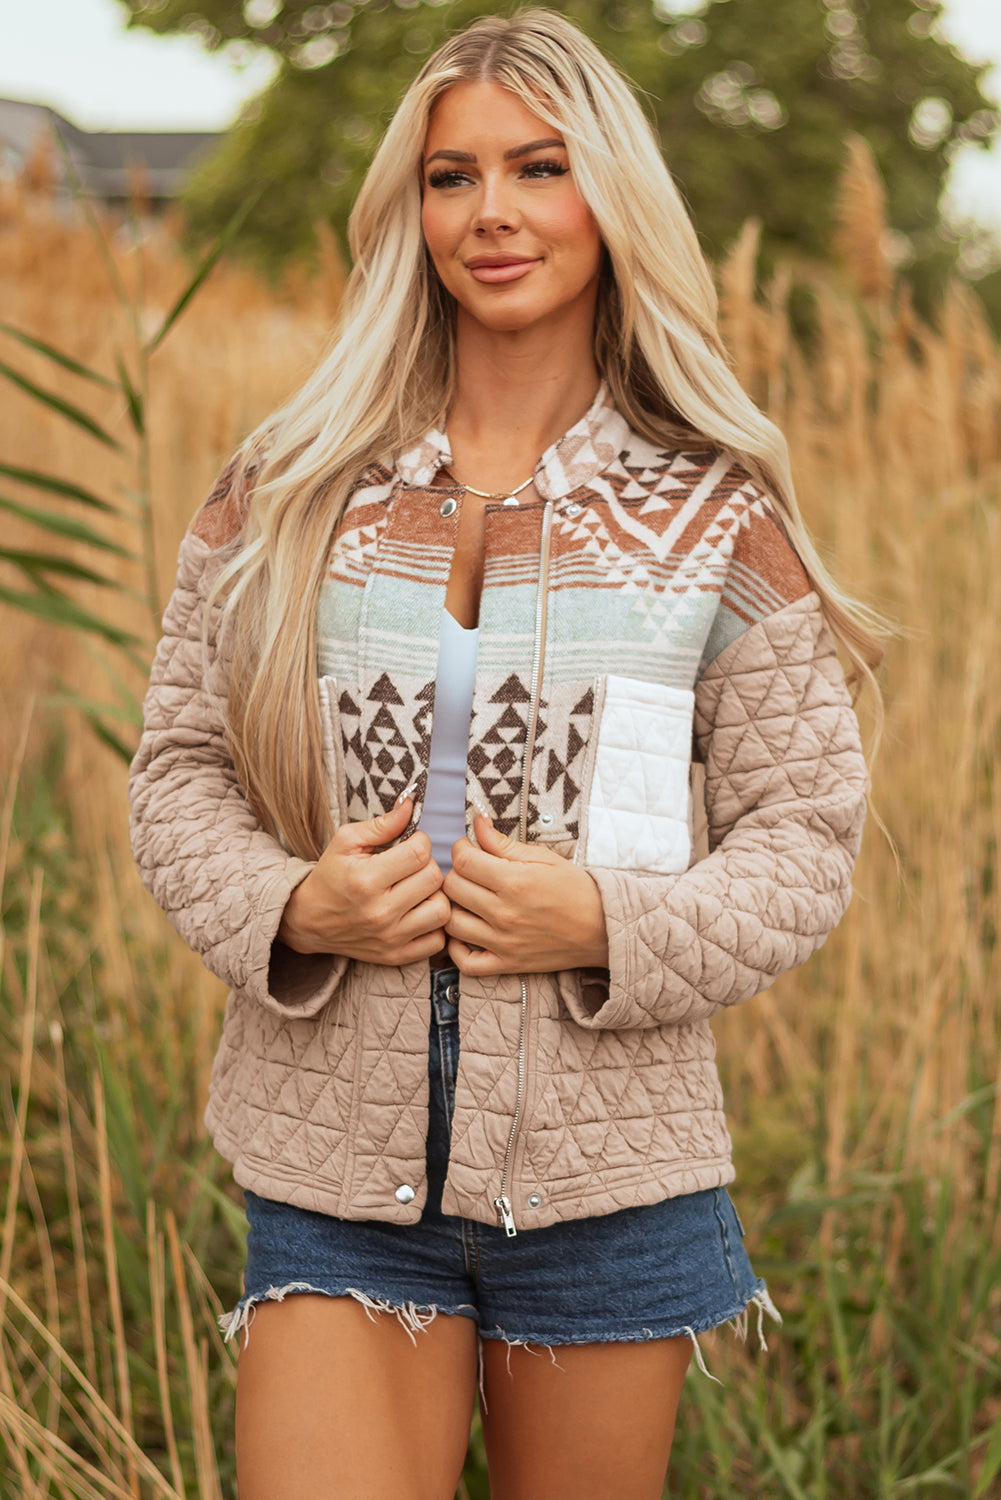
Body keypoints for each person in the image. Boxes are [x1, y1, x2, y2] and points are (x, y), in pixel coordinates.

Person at [129, 10, 879, 1497]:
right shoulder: (285, 489)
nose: (492, 214)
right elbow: (178, 770)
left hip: (609, 1174)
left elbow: (807, 835)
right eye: (450, 175)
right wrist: (298, 909)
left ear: (607, 195)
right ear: (409, 208)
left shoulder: (712, 520)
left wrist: (605, 923)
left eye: (538, 169)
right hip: (333, 1163)